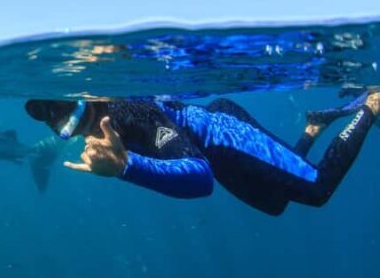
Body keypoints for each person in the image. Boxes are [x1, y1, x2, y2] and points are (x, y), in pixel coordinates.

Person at [24, 90, 380, 216]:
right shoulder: (110, 125)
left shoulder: (128, 110)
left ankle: (370, 106)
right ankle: (313, 128)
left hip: (226, 135)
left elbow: (200, 177)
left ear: (92, 100)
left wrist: (126, 166)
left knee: (317, 188)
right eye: (64, 128)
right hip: (215, 150)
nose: (79, 130)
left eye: (78, 115)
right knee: (276, 203)